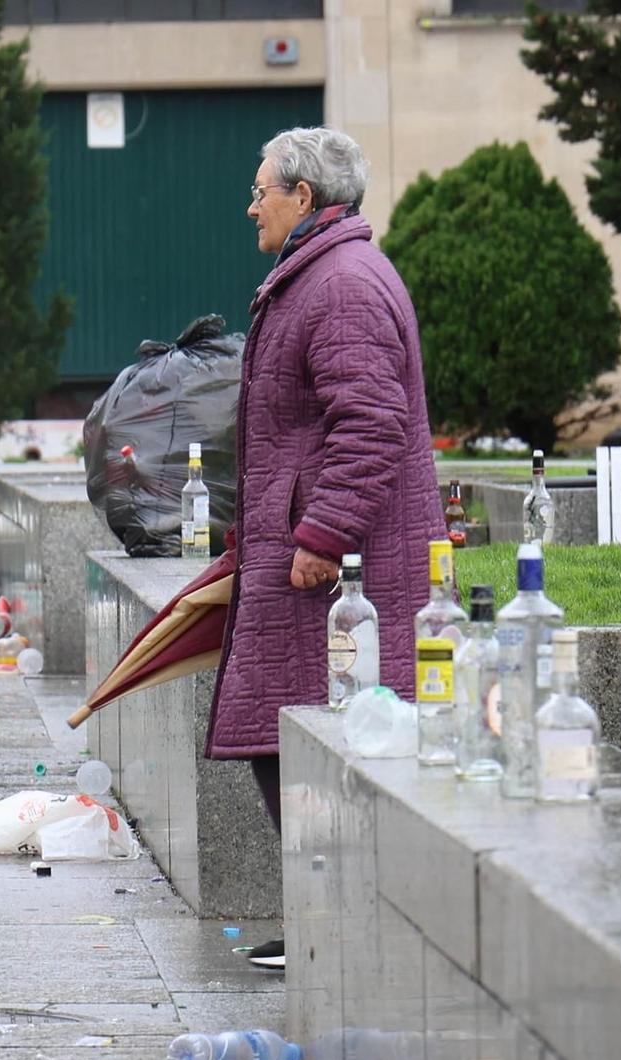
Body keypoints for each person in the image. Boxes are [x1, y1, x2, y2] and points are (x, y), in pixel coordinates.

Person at [206, 127, 442, 968]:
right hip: (307, 551)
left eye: (262, 188)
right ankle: (328, 919)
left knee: (302, 738)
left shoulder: (339, 284)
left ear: (303, 196)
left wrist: (323, 533)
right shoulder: (320, 274)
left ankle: (339, 925)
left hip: (338, 567)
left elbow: (371, 424)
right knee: (284, 733)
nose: (251, 204)